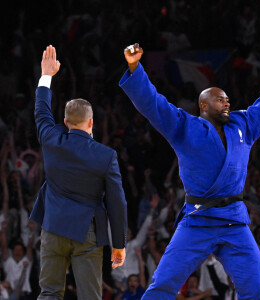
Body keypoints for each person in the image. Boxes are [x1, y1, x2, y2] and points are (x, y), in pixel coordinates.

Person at [119, 43, 260, 299]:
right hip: (198, 219)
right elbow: (153, 104)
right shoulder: (184, 127)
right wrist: (135, 68)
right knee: (162, 286)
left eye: (227, 99)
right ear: (203, 105)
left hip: (234, 221)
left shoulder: (243, 124)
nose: (227, 102)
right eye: (219, 99)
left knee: (258, 290)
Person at [30, 45, 127, 300]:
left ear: (65, 122)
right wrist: (119, 244)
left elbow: (41, 111)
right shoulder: (106, 156)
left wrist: (46, 75)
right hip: (87, 233)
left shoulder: (51, 138)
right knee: (89, 297)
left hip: (53, 228)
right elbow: (117, 202)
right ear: (92, 122)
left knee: (49, 293)